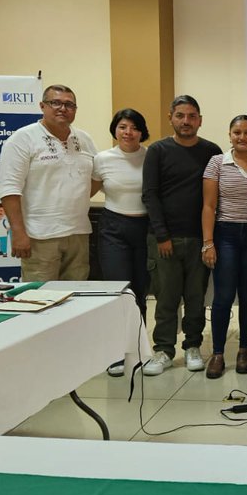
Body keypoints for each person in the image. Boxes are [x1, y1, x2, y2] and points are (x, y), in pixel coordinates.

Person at [141, 96, 222, 376]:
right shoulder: (157, 151)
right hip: (164, 240)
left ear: (200, 119)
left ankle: (193, 346)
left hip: (201, 240)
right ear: (170, 118)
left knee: (196, 298)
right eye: (180, 115)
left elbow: (216, 199)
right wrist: (162, 235)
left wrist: (210, 240)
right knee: (166, 298)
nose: (186, 121)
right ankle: (163, 349)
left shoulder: (212, 152)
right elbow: (150, 194)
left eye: (191, 116)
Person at [0, 84, 96, 281]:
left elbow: (97, 176)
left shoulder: (84, 139)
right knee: (39, 299)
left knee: (76, 300)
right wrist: (18, 233)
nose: (62, 108)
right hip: (39, 236)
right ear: (42, 106)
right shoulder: (22, 139)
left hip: (78, 233)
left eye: (69, 105)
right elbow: (8, 188)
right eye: (55, 103)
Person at [201, 115, 247, 378]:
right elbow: (208, 206)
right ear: (229, 135)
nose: (242, 137)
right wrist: (208, 243)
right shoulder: (217, 163)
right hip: (225, 235)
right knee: (224, 296)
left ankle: (243, 350)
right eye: (237, 132)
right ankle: (217, 353)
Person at [91, 108, 152, 377]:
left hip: (145, 228)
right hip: (113, 228)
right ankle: (118, 353)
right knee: (119, 290)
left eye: (134, 127)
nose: (128, 132)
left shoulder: (151, 156)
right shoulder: (102, 159)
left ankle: (140, 350)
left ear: (142, 131)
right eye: (123, 127)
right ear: (115, 129)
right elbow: (86, 192)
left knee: (141, 290)